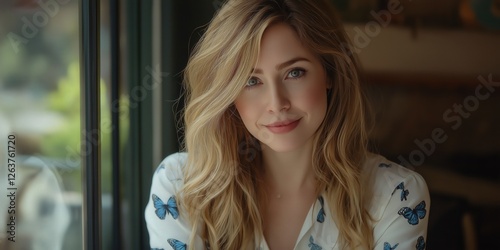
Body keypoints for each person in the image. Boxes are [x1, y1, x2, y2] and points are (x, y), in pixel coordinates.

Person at [145, 0, 430, 249]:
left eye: (295, 72)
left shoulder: (396, 196)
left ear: (329, 74)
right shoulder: (181, 190)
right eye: (251, 80)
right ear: (228, 93)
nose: (276, 103)